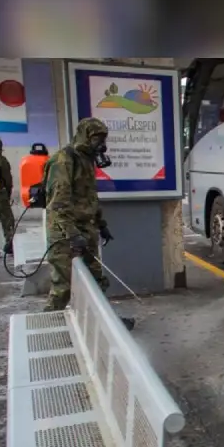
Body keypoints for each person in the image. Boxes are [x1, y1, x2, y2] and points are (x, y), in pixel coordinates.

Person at [43, 117, 135, 331]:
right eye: (97, 138)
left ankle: (106, 324)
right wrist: (72, 234)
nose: (101, 144)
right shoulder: (64, 161)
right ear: (85, 136)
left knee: (96, 280)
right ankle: (47, 325)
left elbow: (89, 197)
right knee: (63, 286)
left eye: (103, 138)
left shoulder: (87, 160)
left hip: (86, 229)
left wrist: (101, 224)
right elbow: (57, 204)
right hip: (64, 233)